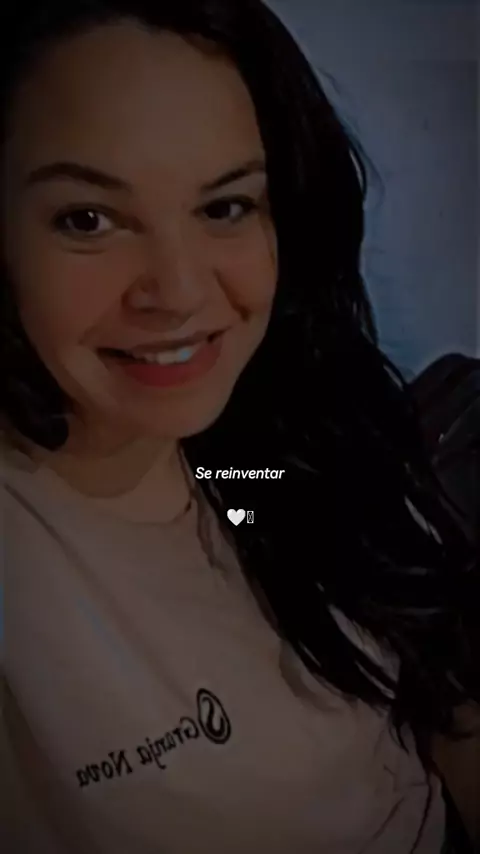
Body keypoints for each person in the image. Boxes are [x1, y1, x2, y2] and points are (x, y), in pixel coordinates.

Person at [0, 1, 478, 852]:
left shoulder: (266, 447)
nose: (180, 292)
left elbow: (433, 675)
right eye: (88, 219)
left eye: (224, 207)